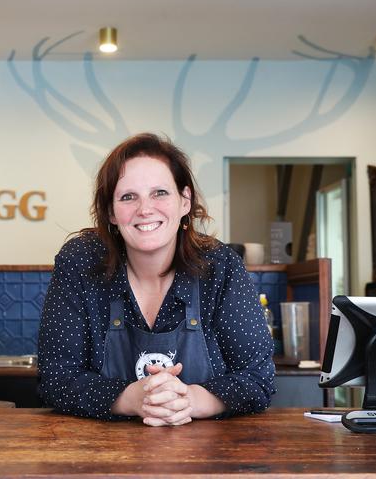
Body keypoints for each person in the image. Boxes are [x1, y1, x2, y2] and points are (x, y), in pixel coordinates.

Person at [38, 133, 275, 426]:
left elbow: (258, 379)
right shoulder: (80, 262)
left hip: (209, 460)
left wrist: (188, 400)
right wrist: (133, 399)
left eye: (160, 193)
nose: (145, 209)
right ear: (111, 211)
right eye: (128, 197)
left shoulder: (221, 267)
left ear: (184, 201)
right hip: (102, 460)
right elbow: (56, 377)